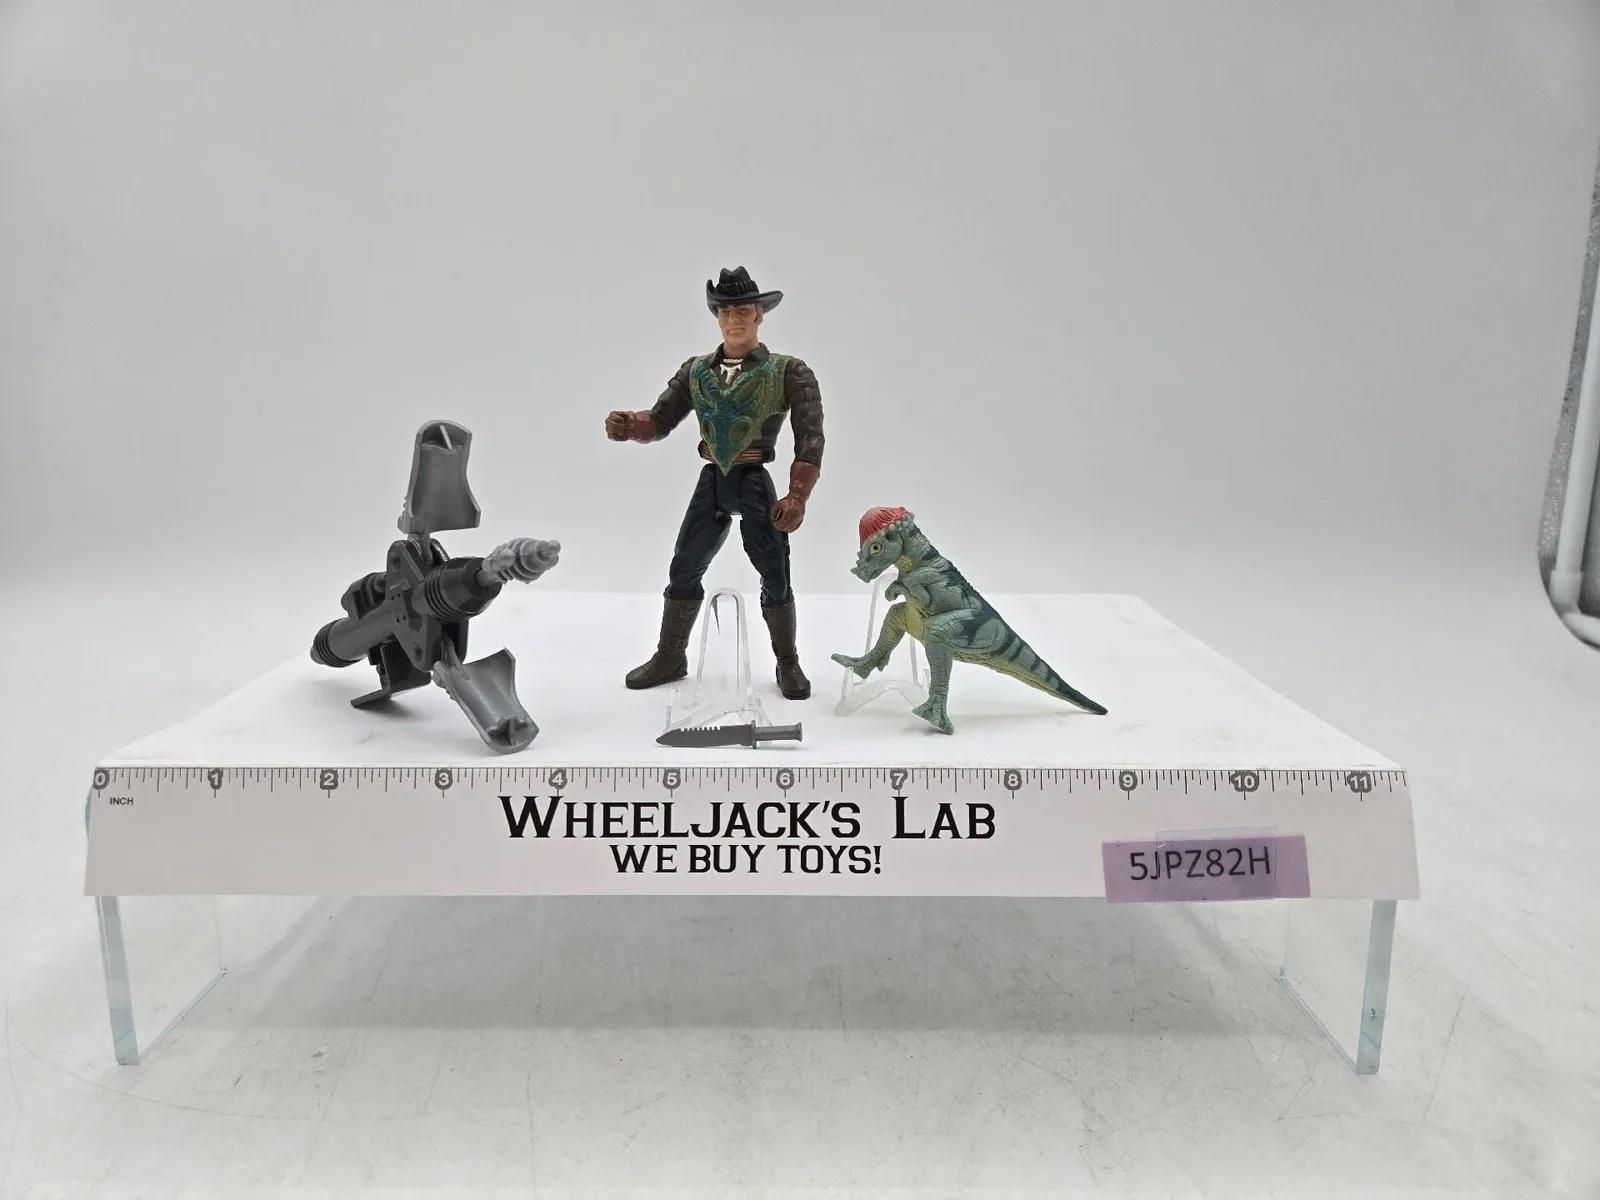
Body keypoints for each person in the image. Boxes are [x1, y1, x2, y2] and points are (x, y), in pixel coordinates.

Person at [605, 266, 823, 699]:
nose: (733, 319)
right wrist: (631, 425)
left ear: (759, 315)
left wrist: (797, 495)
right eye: (725, 312)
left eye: (742, 311)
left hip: (753, 479)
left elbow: (810, 438)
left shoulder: (788, 371)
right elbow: (661, 419)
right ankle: (670, 656)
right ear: (716, 317)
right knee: (684, 565)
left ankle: (787, 662)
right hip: (714, 478)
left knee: (774, 571)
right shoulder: (696, 370)